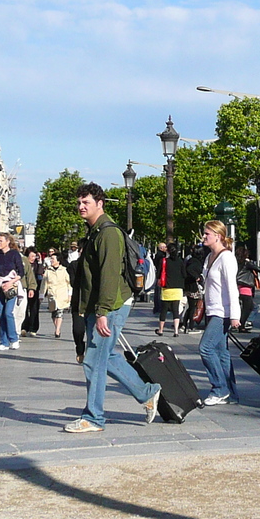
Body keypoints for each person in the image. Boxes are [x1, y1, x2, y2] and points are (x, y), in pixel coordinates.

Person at [63, 183, 162, 433]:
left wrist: (102, 312)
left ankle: (94, 418)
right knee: (106, 357)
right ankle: (148, 393)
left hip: (111, 305)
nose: (81, 206)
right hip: (101, 305)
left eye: (86, 202)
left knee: (93, 361)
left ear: (100, 203)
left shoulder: (107, 233)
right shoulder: (95, 231)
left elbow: (109, 275)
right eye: (79, 202)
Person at [198, 220, 242, 406]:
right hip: (211, 308)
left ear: (218, 236)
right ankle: (231, 393)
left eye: (207, 233)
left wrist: (235, 315)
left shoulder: (227, 258)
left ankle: (219, 388)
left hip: (222, 312)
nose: (203, 237)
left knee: (205, 348)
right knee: (221, 352)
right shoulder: (209, 257)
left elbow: (232, 288)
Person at [0, 233, 25, 352]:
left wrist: (11, 282)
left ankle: (14, 339)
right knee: (0, 313)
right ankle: (3, 341)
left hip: (11, 286)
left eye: (0, 241)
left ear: (7, 241)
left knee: (8, 312)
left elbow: (21, 272)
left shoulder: (14, 254)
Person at [153, 241, 185, 336]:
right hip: (178, 288)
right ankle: (176, 331)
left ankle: (161, 330)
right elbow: (184, 274)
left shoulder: (164, 261)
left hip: (167, 287)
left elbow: (159, 273)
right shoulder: (181, 261)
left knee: (164, 309)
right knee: (176, 310)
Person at [41, 251, 71, 340]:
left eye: (53, 259)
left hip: (62, 295)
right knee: (54, 314)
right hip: (52, 295)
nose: (51, 260)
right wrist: (41, 295)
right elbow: (44, 283)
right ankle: (56, 327)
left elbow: (69, 283)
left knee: (59, 313)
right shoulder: (48, 271)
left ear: (58, 260)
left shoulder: (64, 270)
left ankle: (57, 330)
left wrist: (70, 294)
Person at [234, 243, 258, 331]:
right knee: (249, 307)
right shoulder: (247, 264)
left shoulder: (236, 263)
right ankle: (242, 325)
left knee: (245, 307)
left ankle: (240, 324)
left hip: (238, 286)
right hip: (246, 288)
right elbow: (258, 269)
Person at [21, 249, 42, 337]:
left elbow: (40, 273)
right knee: (24, 308)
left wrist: (40, 262)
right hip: (24, 288)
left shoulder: (36, 265)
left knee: (34, 309)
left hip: (35, 288)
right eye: (32, 256)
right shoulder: (23, 264)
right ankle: (24, 327)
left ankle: (33, 328)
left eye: (35, 256)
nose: (34, 258)